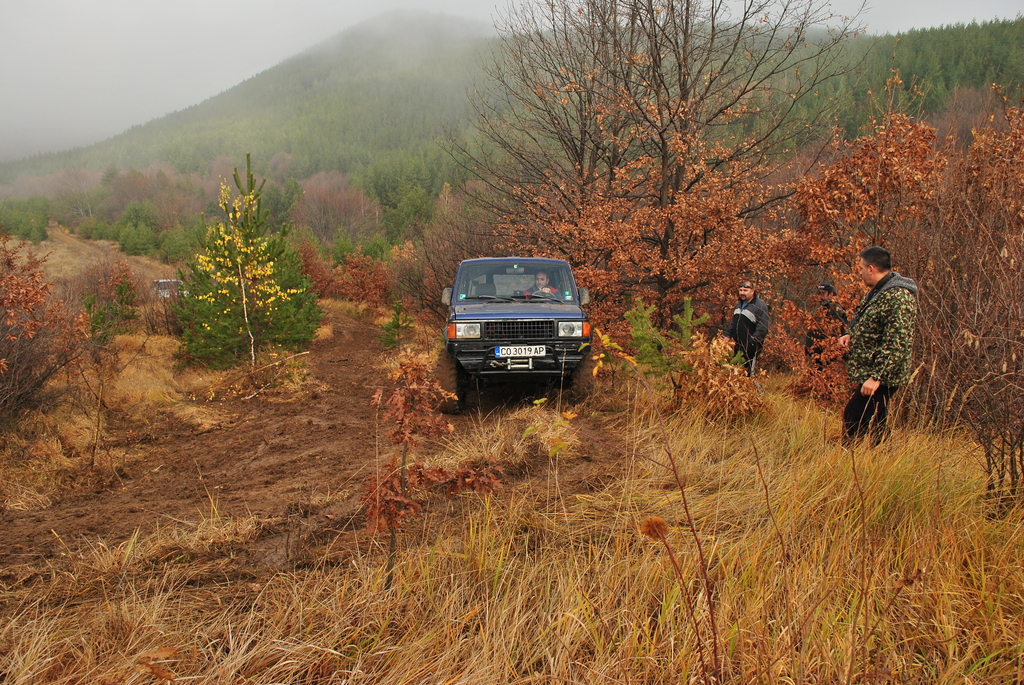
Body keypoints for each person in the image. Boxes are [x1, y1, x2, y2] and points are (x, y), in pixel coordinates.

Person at [838, 246, 918, 444]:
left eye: (861, 267)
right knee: (876, 419)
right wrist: (851, 333)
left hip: (884, 374)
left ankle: (848, 460)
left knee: (854, 414)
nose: (859, 271)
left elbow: (897, 342)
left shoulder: (898, 296)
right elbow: (870, 320)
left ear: (871, 268)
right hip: (872, 369)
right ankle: (883, 457)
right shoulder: (879, 291)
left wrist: (876, 377)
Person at [725, 280, 771, 376]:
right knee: (736, 373)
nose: (742, 293)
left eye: (745, 290)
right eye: (741, 290)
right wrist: (728, 335)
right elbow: (734, 322)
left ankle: (756, 391)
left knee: (748, 375)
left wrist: (752, 342)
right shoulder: (739, 304)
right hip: (737, 346)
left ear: (752, 291)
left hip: (751, 349)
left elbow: (763, 328)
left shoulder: (760, 306)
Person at [804, 283, 849, 363]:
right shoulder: (820, 308)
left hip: (828, 355)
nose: (819, 297)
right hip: (817, 354)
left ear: (831, 294)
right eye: (818, 294)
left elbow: (835, 333)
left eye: (822, 294)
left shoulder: (835, 308)